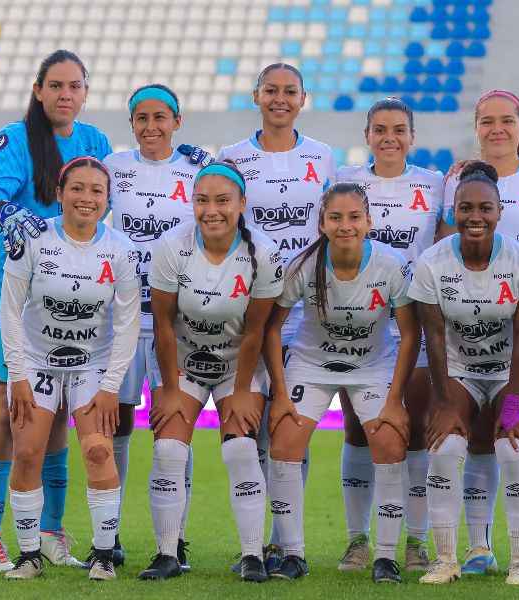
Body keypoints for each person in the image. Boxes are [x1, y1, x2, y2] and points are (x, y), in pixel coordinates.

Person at [0, 49, 112, 571]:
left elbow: (113, 199)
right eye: (56, 85)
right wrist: (7, 212)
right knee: (9, 408)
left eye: (75, 86)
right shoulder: (16, 137)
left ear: (85, 93)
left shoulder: (95, 142)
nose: (65, 95)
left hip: (71, 304)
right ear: (38, 89)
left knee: (52, 422)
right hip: (13, 296)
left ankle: (50, 531)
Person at [439, 89, 519, 575]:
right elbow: (441, 242)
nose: (497, 129)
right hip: (472, 336)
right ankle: (479, 547)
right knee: (476, 438)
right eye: (487, 121)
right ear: (476, 127)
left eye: (506, 120)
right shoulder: (459, 181)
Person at [264, 182, 418, 583]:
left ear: (369, 221)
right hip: (312, 363)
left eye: (354, 217)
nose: (345, 225)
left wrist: (395, 401)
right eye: (335, 217)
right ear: (322, 223)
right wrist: (280, 395)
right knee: (284, 442)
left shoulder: (391, 264)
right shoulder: (302, 265)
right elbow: (271, 329)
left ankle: (386, 557)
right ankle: (292, 554)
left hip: (372, 365)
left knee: (387, 440)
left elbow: (410, 335)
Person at [138, 161, 283, 582]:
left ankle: (253, 555)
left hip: (239, 362)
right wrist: (166, 388)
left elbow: (256, 330)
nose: (211, 210)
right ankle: (167, 553)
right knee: (168, 450)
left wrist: (240, 391)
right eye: (202, 200)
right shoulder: (171, 247)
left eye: (222, 200)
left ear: (242, 204)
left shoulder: (263, 254)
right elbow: (163, 324)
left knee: (239, 448)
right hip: (183, 360)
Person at [218, 62, 335, 572]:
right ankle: (255, 538)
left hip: (303, 311)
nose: (280, 99)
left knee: (286, 428)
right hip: (248, 309)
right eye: (271, 90)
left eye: (290, 91)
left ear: (303, 99)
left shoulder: (323, 157)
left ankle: (281, 538)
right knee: (251, 426)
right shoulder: (232, 157)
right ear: (256, 96)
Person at [0, 157, 140, 580]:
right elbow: (9, 310)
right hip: (36, 361)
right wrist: (18, 374)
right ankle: (28, 556)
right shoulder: (33, 239)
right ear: (59, 194)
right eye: (77, 188)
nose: (87, 198)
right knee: (27, 454)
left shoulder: (121, 249)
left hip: (92, 364)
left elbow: (128, 322)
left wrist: (112, 385)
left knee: (98, 451)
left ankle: (102, 554)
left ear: (107, 199)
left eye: (96, 191)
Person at [409, 162, 519, 586]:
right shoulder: (432, 263)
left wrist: (514, 402)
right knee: (445, 447)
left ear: (499, 212)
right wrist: (446, 402)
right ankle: (446, 558)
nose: (475, 217)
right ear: (453, 211)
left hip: (512, 370)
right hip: (458, 368)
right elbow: (433, 336)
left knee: (512, 448)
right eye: (466, 208)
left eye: (485, 208)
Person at [334, 97, 444, 572]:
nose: (389, 137)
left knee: (414, 430)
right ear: (367, 135)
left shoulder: (434, 183)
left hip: (413, 323)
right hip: (359, 327)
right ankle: (358, 540)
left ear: (412, 137)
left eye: (399, 129)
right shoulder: (346, 181)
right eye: (380, 129)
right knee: (360, 431)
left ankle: (416, 542)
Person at [104, 83, 203, 569]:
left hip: (174, 323)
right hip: (119, 320)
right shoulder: (113, 169)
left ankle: (176, 537)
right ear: (132, 124)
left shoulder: (196, 169)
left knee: (173, 426)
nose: (151, 127)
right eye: (141, 118)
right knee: (115, 423)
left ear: (177, 121)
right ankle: (110, 534)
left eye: (160, 117)